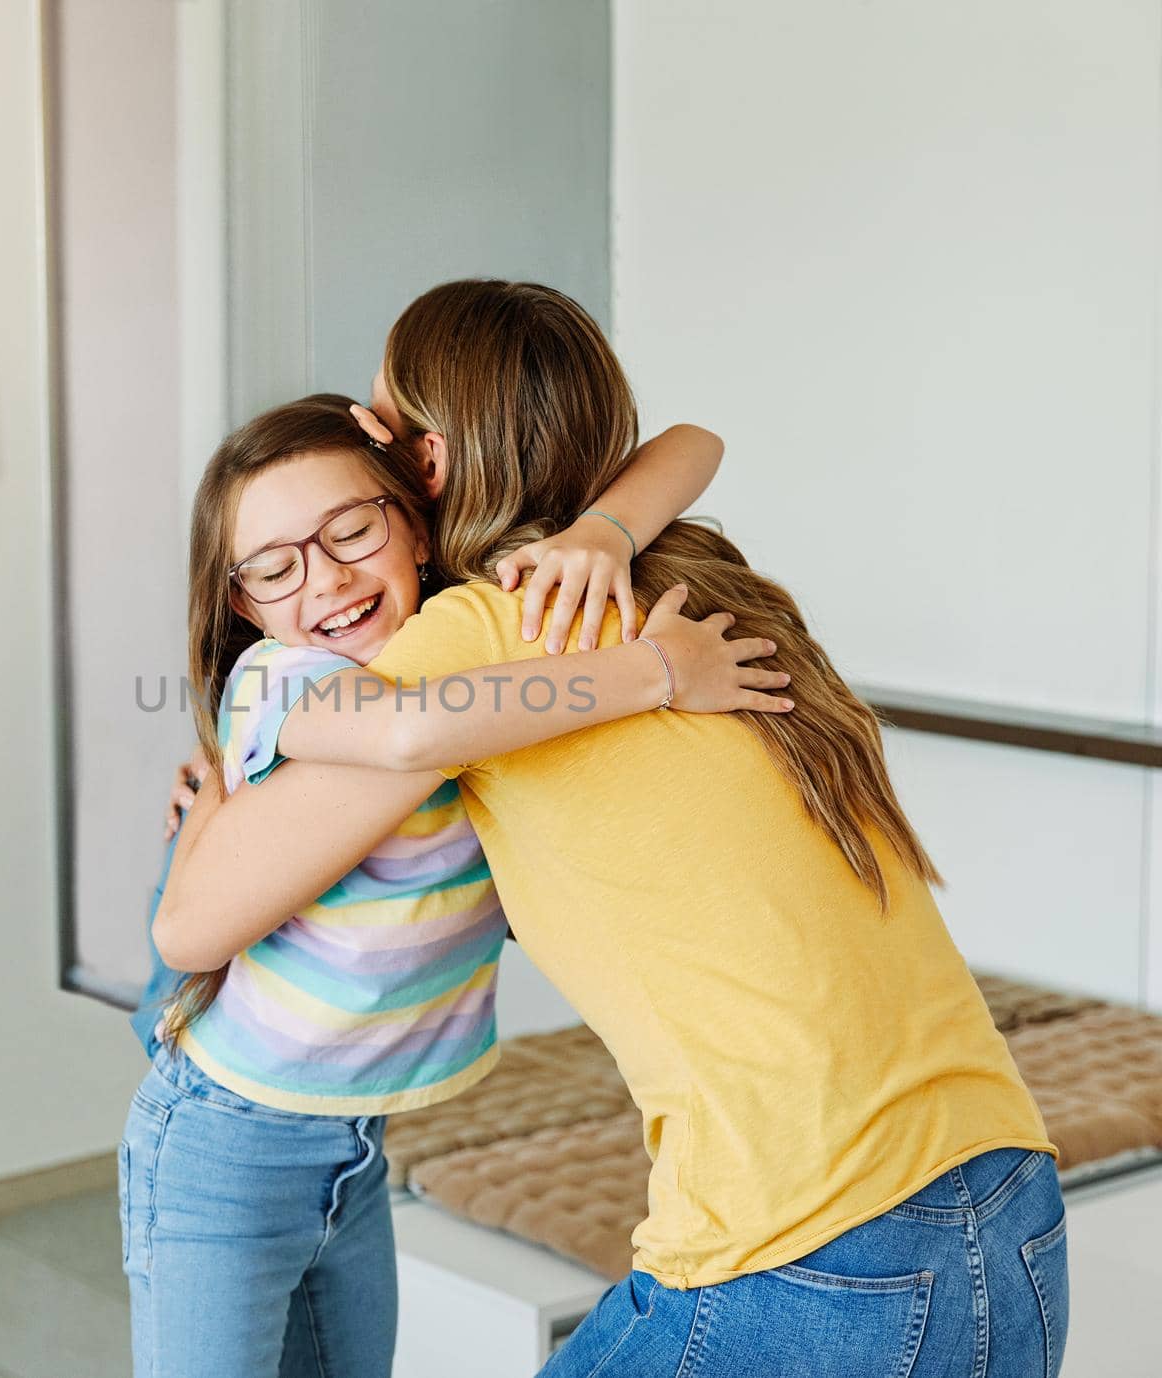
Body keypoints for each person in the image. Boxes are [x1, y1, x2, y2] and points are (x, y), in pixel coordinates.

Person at [157, 280, 1067, 1378]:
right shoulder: (698, 574)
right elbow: (692, 441)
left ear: (426, 466)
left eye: (380, 424)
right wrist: (606, 529)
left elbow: (195, 925)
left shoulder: (482, 632)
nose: (366, 431)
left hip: (811, 1244)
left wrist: (213, 812)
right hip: (1012, 1197)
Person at [121, 392, 787, 1378]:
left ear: (415, 523)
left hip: (349, 1155)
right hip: (224, 1150)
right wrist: (654, 671)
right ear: (243, 605)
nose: (327, 578)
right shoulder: (282, 678)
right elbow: (409, 732)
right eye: (274, 566)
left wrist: (598, 537)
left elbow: (696, 442)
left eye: (352, 527)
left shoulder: (470, 649)